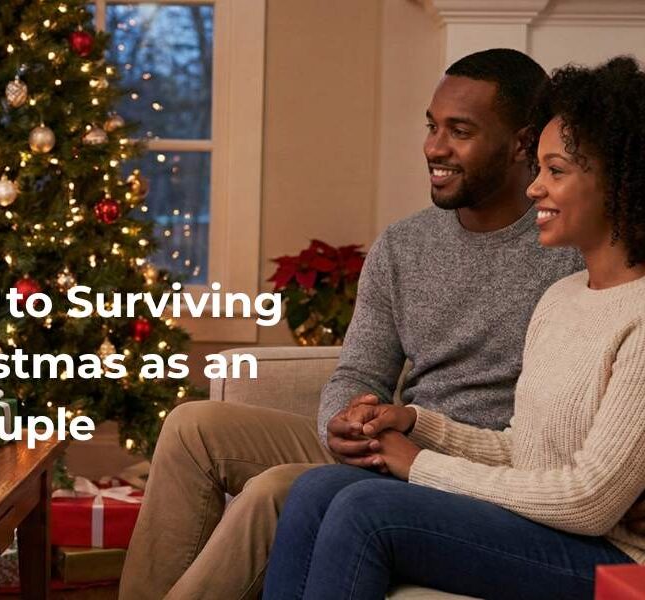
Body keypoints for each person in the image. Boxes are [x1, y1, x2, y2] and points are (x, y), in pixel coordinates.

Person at [120, 48, 584, 600]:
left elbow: (554, 433)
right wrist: (344, 418)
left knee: (277, 490)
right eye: (432, 126)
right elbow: (361, 367)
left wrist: (414, 445)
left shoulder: (569, 251)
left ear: (522, 144)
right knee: (191, 427)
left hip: (458, 468)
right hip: (383, 440)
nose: (434, 148)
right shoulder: (404, 244)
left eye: (460, 131)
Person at [263, 55, 645, 600]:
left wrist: (420, 465)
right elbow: (523, 450)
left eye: (555, 171)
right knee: (318, 488)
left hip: (615, 560)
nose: (534, 188)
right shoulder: (562, 298)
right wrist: (416, 422)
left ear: (619, 184)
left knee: (366, 511)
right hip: (549, 530)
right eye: (537, 169)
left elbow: (588, 500)